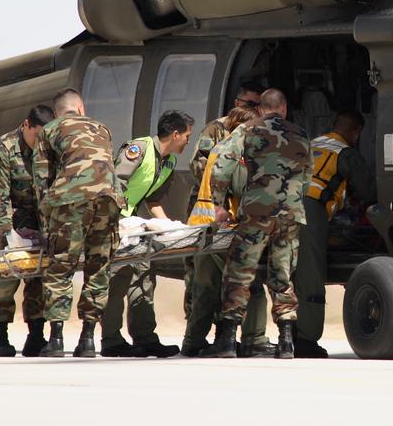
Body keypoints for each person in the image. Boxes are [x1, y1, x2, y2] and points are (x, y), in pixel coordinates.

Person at [206, 87, 311, 359]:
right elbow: (307, 176)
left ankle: (228, 340)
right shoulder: (301, 134)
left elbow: (222, 166)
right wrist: (293, 201)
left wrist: (219, 204)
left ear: (261, 109)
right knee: (282, 273)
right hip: (291, 213)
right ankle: (286, 341)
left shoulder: (247, 129)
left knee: (240, 271)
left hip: (257, 211)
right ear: (284, 108)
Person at [32, 88, 125, 358]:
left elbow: (41, 180)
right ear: (81, 108)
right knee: (98, 267)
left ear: (57, 112)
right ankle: (88, 340)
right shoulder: (102, 128)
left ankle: (56, 339)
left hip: (70, 199)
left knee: (61, 266)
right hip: (109, 199)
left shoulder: (49, 130)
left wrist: (45, 223)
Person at [100, 110, 194, 358]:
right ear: (175, 134)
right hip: (116, 222)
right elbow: (114, 184)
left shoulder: (168, 162)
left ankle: (145, 338)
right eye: (187, 136)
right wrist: (117, 223)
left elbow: (153, 199)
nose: (188, 141)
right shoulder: (139, 150)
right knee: (119, 278)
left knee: (144, 275)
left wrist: (169, 226)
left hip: (134, 225)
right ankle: (111, 339)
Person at [182, 104, 272, 357]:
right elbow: (242, 189)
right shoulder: (237, 152)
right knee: (249, 282)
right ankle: (254, 339)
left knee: (205, 287)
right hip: (222, 229)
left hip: (201, 222)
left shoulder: (217, 149)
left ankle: (193, 341)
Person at [295, 109, 375, 358]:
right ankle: (305, 339)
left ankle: (286, 334)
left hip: (283, 205)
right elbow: (368, 191)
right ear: (355, 132)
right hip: (310, 208)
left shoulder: (311, 143)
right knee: (310, 271)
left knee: (285, 271)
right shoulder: (346, 153)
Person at [0, 103, 54, 357]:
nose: (41, 142)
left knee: (39, 280)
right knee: (5, 277)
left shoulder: (49, 148)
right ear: (26, 125)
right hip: (8, 221)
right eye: (37, 135)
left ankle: (36, 336)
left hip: (37, 222)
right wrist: (7, 235)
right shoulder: (3, 149)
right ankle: (0, 336)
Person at [190, 83, 262, 185]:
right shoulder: (216, 129)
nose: (256, 109)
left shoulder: (260, 130)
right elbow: (198, 164)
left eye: (260, 105)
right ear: (237, 103)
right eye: (251, 104)